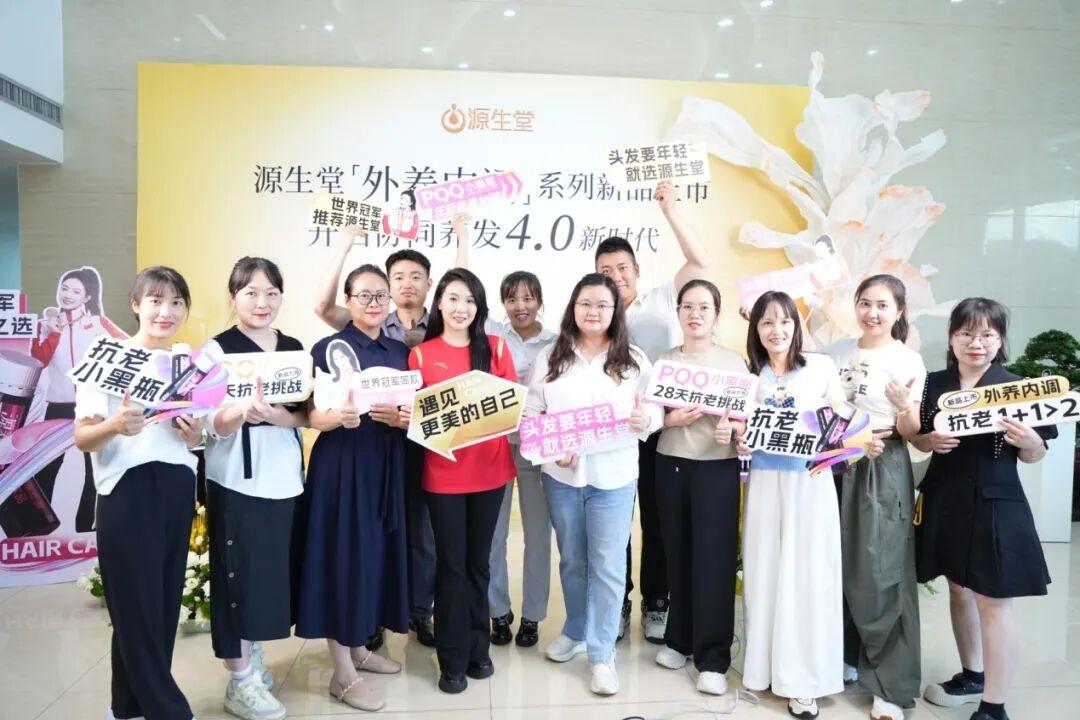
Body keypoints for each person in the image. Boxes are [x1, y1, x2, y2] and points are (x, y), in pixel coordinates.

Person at [313, 218, 468, 649]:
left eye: (415, 276)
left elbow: (462, 287)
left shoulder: (432, 329)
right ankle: (370, 619)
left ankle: (417, 611)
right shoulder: (354, 334)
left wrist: (462, 238)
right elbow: (322, 307)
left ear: (429, 285)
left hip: (413, 444)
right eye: (396, 278)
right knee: (369, 536)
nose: (404, 285)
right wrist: (344, 243)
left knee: (418, 535)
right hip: (363, 451)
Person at [914, 298, 1056, 720]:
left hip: (997, 501)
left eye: (986, 335)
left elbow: (1036, 454)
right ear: (952, 338)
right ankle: (972, 674)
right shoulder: (933, 384)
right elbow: (917, 436)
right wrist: (928, 441)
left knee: (994, 599)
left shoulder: (1017, 387)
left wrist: (1030, 441)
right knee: (958, 587)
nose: (976, 343)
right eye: (966, 334)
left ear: (1000, 340)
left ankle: (994, 705)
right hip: (945, 497)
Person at [74, 266, 204, 720]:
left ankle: (125, 707)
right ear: (135, 305)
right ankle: (168, 710)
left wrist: (194, 434)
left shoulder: (186, 363)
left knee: (162, 604)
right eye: (155, 300)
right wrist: (114, 424)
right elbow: (83, 437)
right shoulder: (108, 356)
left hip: (177, 486)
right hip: (126, 489)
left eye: (176, 303)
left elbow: (197, 438)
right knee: (135, 604)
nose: (165, 312)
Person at [527, 273, 662, 696]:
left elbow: (654, 408)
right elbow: (532, 412)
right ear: (573, 307)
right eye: (585, 303)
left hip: (614, 477)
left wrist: (647, 418)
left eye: (603, 305)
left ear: (615, 311)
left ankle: (602, 654)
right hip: (562, 477)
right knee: (572, 559)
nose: (593, 311)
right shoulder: (551, 355)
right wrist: (551, 450)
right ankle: (576, 629)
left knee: (607, 564)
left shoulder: (633, 358)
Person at [594, 179, 710, 643]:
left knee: (659, 520)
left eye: (622, 268)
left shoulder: (663, 298)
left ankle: (657, 601)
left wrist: (670, 210)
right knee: (616, 521)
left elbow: (700, 262)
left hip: (667, 428)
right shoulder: (595, 314)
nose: (616, 275)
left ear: (636, 270)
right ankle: (619, 601)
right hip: (617, 432)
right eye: (606, 270)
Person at [294, 264, 411, 712]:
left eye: (381, 295)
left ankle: (360, 648)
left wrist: (402, 419)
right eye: (364, 295)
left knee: (373, 555)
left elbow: (412, 410)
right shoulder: (328, 348)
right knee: (341, 558)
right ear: (348, 300)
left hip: (386, 462)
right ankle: (342, 672)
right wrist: (337, 418)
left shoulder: (399, 350)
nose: (374, 303)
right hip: (342, 465)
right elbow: (311, 415)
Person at [203, 257, 308, 720]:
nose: (262, 302)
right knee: (236, 577)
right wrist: (240, 412)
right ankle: (240, 680)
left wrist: (280, 416)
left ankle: (252, 655)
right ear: (233, 298)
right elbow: (206, 422)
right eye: (251, 293)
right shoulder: (216, 350)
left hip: (284, 478)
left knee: (266, 576)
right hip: (235, 480)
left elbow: (305, 412)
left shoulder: (293, 349)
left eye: (271, 293)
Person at [408, 268, 518, 694]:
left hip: (491, 473)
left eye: (470, 300)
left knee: (478, 564)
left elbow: (511, 409)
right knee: (451, 566)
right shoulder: (421, 355)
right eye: (453, 299)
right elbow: (418, 420)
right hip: (443, 477)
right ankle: (452, 659)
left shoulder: (496, 347)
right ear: (439, 303)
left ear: (479, 307)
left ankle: (478, 650)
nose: (461, 308)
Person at [737, 291, 845, 719]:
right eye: (766, 322)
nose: (776, 330)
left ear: (797, 326)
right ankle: (762, 670)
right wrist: (740, 441)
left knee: (807, 575)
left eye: (784, 321)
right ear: (755, 329)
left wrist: (841, 441)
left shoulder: (820, 367)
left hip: (810, 484)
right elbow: (741, 431)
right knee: (763, 572)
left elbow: (843, 424)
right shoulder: (750, 375)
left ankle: (804, 680)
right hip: (764, 483)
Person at [827, 274, 926, 720]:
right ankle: (847, 659)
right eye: (865, 303)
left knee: (881, 570)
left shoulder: (906, 359)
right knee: (835, 565)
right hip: (835, 463)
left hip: (881, 465)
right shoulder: (838, 353)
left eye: (883, 305)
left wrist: (904, 404)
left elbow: (911, 430)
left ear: (899, 311)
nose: (872, 313)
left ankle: (890, 684)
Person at [651, 279, 746, 696]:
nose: (695, 314)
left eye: (704, 307)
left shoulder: (733, 363)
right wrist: (669, 420)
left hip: (716, 467)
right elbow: (648, 417)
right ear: (678, 313)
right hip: (671, 463)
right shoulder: (664, 362)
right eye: (688, 306)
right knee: (677, 553)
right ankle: (679, 640)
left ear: (716, 315)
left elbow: (746, 421)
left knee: (714, 560)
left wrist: (733, 428)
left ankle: (713, 657)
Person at [484, 271, 556, 648]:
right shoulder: (493, 335)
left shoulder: (557, 343)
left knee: (537, 534)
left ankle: (532, 615)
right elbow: (465, 287)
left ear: (540, 300)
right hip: (495, 445)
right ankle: (498, 611)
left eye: (528, 298)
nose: (520, 306)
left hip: (536, 449)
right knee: (492, 535)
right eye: (512, 299)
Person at [29, 266, 125, 531]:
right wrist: (54, 332)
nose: (68, 295)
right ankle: (38, 525)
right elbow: (38, 361)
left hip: (92, 407)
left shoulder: (98, 323)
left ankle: (87, 526)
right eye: (64, 288)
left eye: (75, 291)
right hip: (58, 406)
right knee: (47, 467)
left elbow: (130, 349)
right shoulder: (44, 325)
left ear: (87, 297)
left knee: (94, 467)